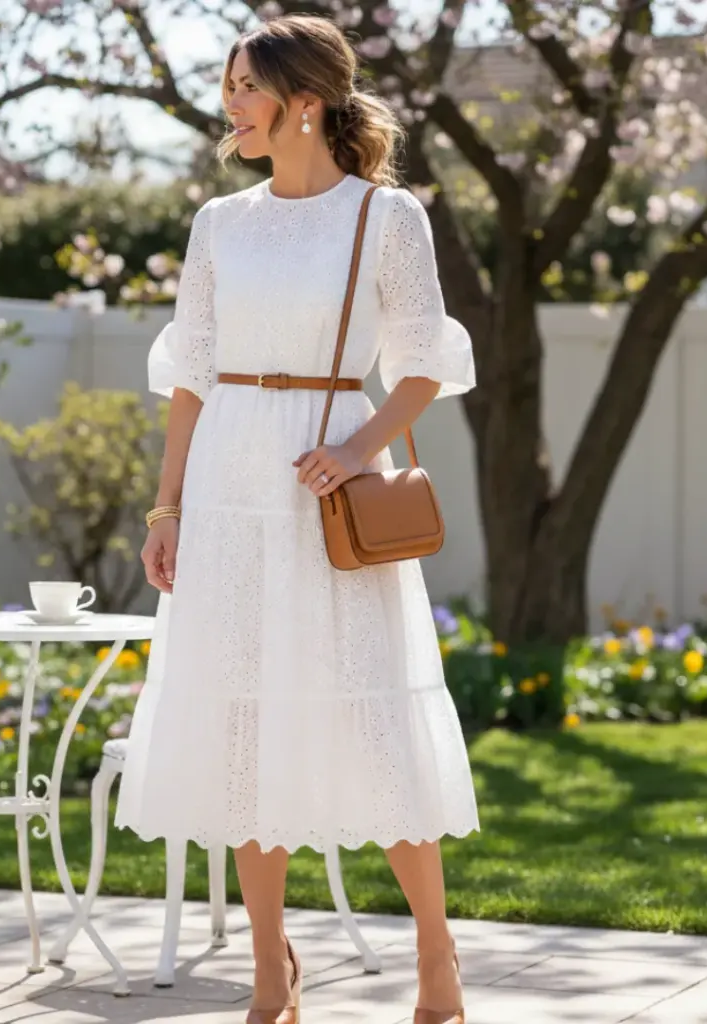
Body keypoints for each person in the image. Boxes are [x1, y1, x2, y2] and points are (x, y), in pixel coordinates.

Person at [115, 13, 478, 1024]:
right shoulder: (219, 224)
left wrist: (359, 449)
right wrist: (166, 503)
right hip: (230, 475)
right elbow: (190, 375)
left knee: (372, 715)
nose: (228, 104)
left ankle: (435, 954)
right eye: (226, 86)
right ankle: (270, 969)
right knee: (243, 718)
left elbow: (421, 364)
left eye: (242, 87)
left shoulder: (384, 217)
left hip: (329, 480)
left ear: (302, 102)